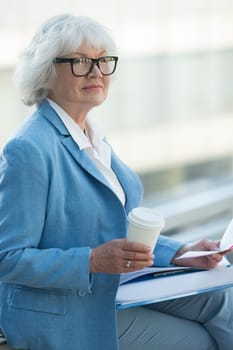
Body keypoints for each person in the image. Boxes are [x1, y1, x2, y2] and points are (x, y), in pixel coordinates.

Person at [0, 13, 232, 350]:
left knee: (222, 300)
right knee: (196, 340)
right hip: (63, 307)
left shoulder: (90, 137)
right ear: (47, 71)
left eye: (102, 61)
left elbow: (110, 224)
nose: (96, 72)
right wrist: (92, 260)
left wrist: (181, 252)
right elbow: (8, 257)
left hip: (115, 283)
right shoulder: (29, 150)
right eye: (80, 62)